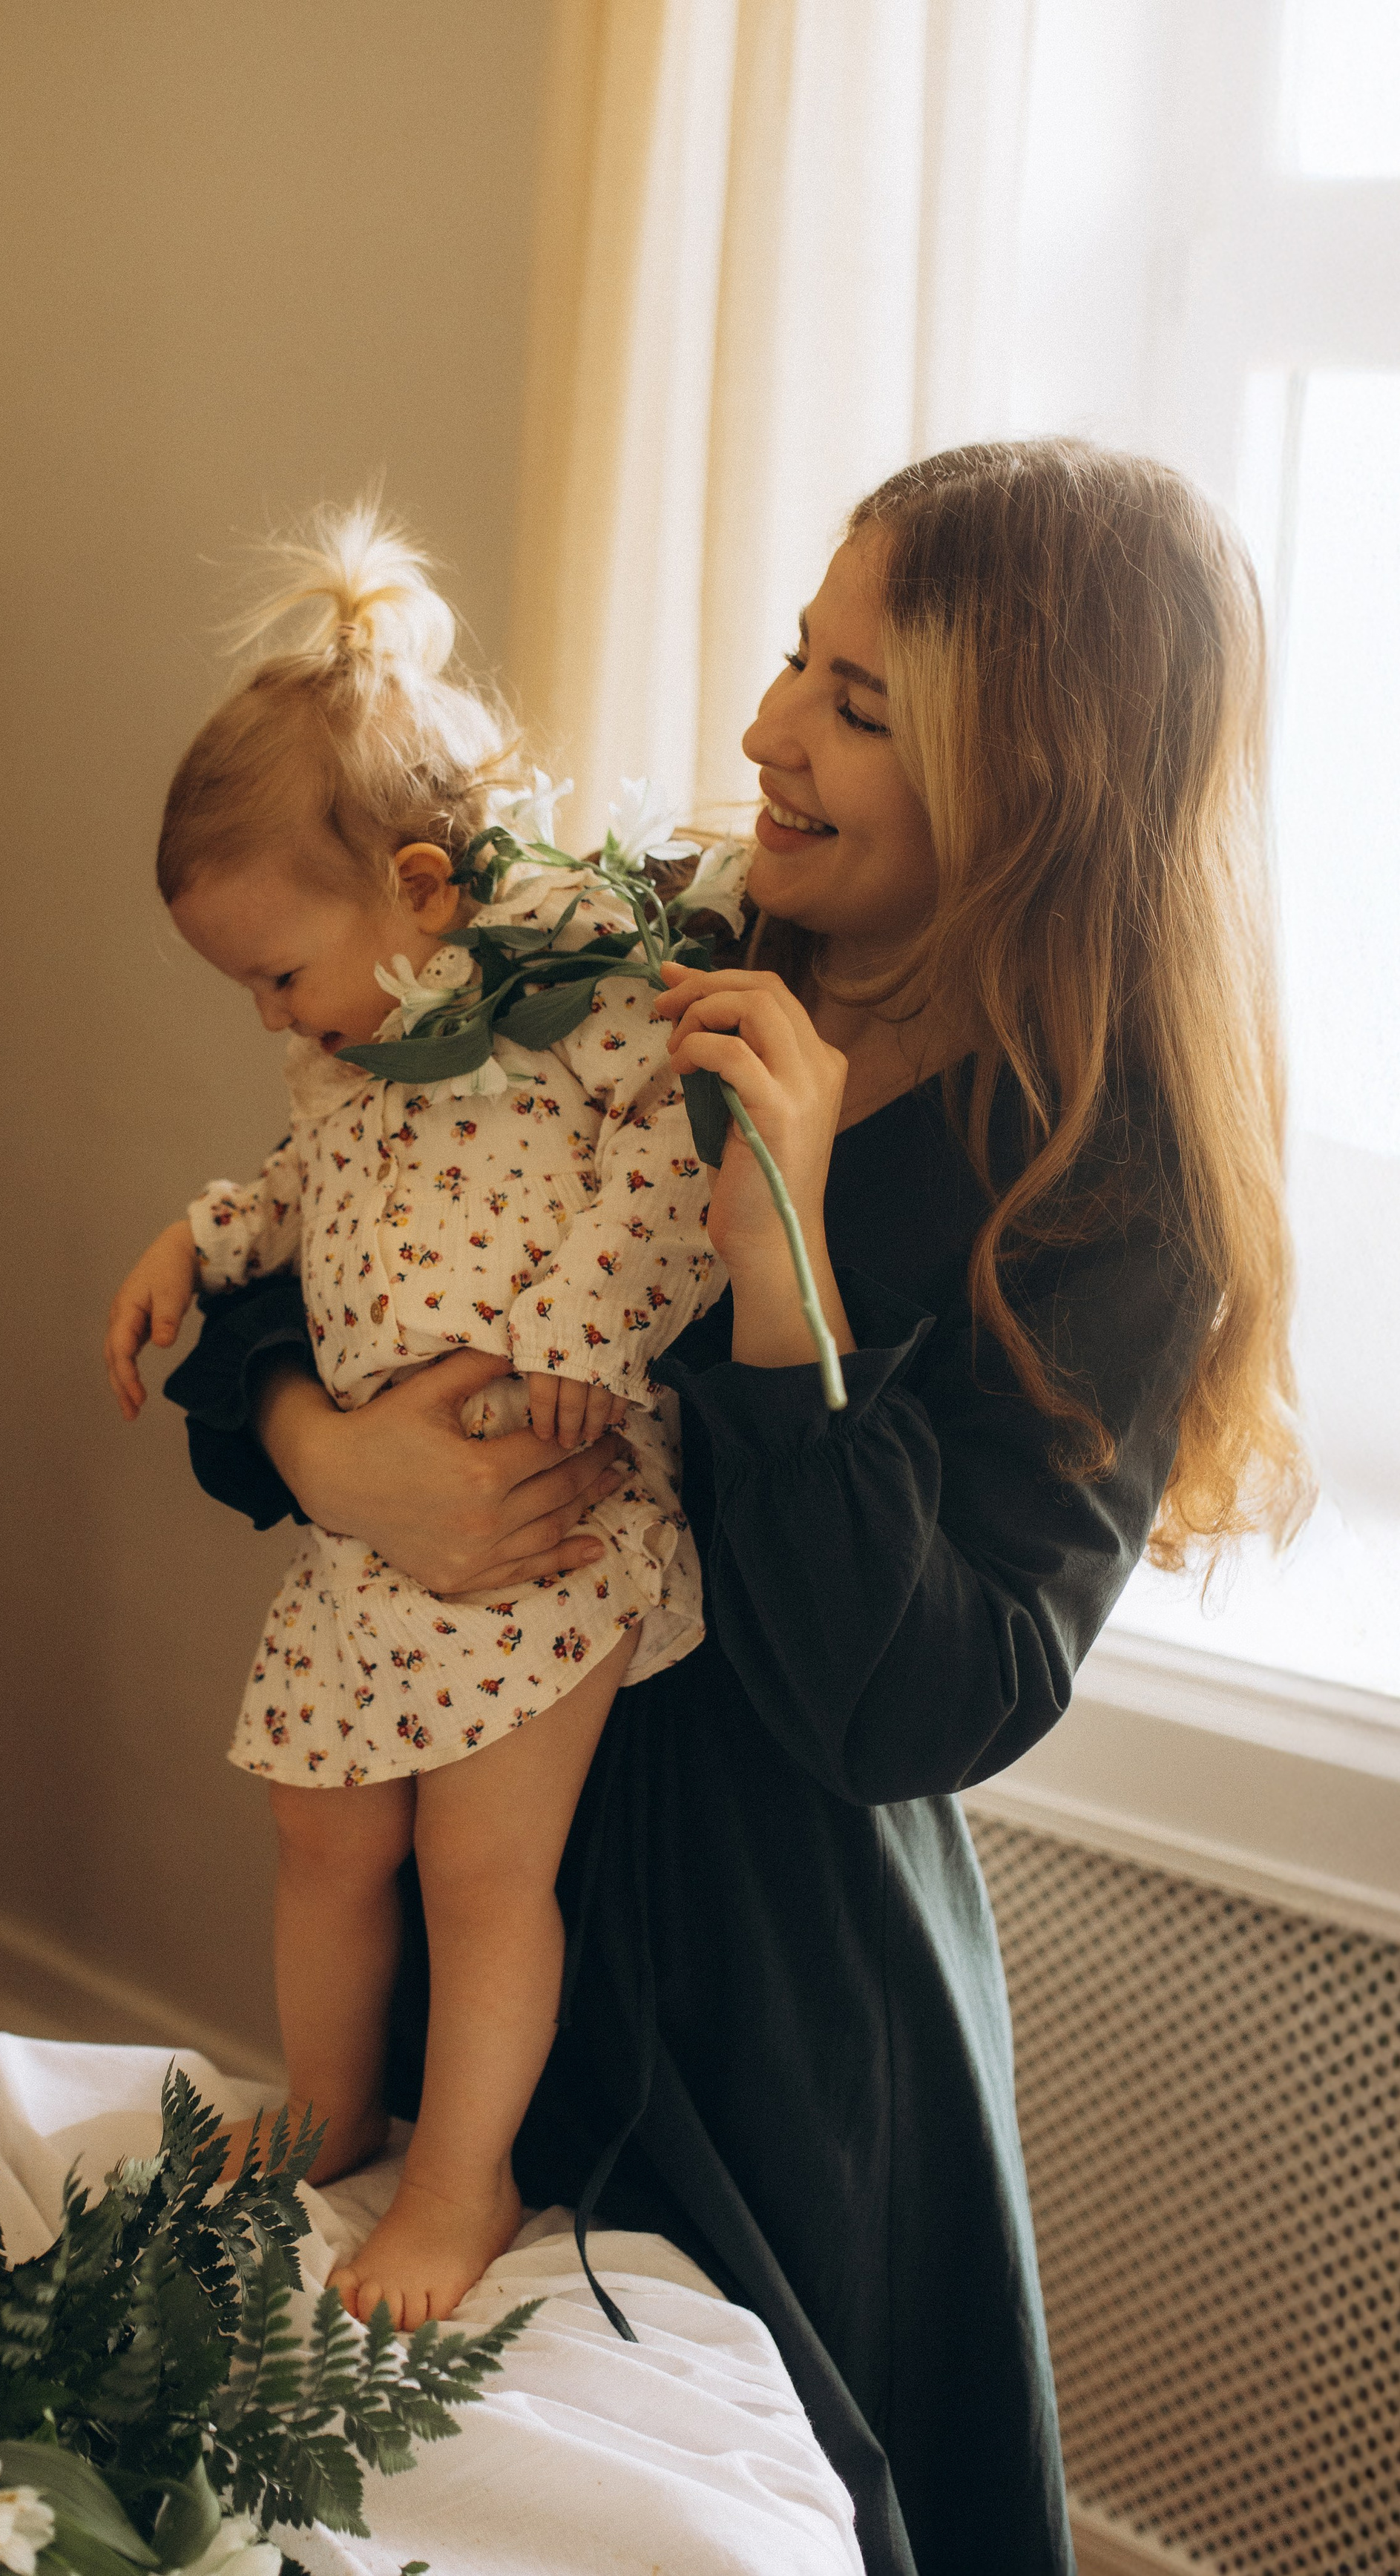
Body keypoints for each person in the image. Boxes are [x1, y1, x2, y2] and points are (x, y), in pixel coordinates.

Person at [161, 440, 1312, 2576]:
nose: (773, 727)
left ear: (1037, 780)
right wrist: (331, 1449)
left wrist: (783, 1282)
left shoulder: (1105, 1193)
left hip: (778, 2038)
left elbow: (920, 1710)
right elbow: (337, 1219)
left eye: (861, 704)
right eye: (802, 658)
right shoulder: (624, 963)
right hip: (480, 1927)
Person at [105, 507, 726, 2329]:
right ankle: (323, 2109)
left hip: (548, 1517)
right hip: (381, 1543)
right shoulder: (350, 1058)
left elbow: (681, 1169)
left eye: (275, 970)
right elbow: (301, 1184)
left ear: (423, 888)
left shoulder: (574, 1009)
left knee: (478, 1863)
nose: (266, 1015)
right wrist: (192, 1238)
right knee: (323, 1831)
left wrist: (565, 1343)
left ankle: (461, 2180)